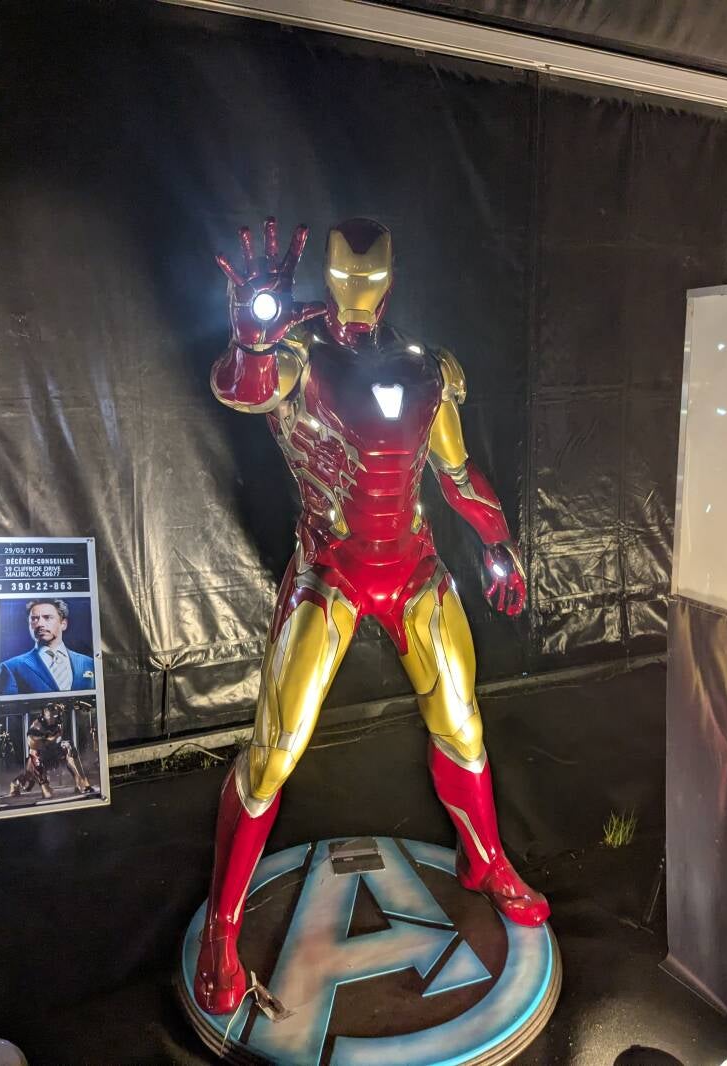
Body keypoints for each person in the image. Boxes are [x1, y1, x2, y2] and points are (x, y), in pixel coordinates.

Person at [196, 217, 550, 1014]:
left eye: (371, 276)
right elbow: (242, 387)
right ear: (328, 277)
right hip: (331, 569)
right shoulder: (295, 355)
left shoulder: (428, 366)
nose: (358, 290)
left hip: (415, 565)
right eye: (347, 277)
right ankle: (223, 926)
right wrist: (252, 335)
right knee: (273, 753)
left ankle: (485, 859)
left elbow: (455, 472)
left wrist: (498, 544)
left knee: (462, 724)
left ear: (389, 278)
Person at [0, 599, 95, 695]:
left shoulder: (88, 663)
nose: (40, 624)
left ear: (63, 624)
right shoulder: (11, 667)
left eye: (47, 617)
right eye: (34, 619)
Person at [9, 701, 95, 800]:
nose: (53, 716)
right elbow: (33, 744)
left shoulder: (58, 716)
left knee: (69, 746)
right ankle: (16, 784)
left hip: (55, 752)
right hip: (40, 758)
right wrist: (48, 739)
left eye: (55, 713)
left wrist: (79, 705)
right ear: (44, 713)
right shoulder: (37, 726)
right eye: (50, 713)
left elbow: (73, 705)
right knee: (32, 779)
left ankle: (81, 781)